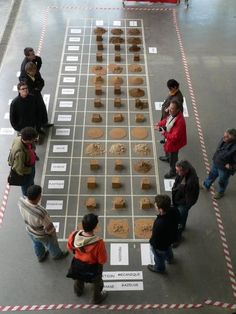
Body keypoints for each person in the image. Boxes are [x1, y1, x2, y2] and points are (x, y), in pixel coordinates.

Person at [18, 185, 68, 262]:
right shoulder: (41, 213)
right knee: (52, 244)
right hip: (41, 234)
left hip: (29, 230)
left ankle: (40, 256)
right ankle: (57, 255)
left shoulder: (21, 201)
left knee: (36, 243)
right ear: (38, 197)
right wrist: (53, 237)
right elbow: (49, 228)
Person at [67, 213, 108, 304]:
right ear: (95, 227)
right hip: (92, 267)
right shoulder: (98, 243)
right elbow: (102, 260)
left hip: (77, 264)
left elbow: (70, 247)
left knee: (79, 277)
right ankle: (96, 298)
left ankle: (78, 291)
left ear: (83, 224)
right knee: (97, 282)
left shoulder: (74, 235)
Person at [155, 100, 187, 178]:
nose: (169, 109)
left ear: (177, 110)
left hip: (174, 144)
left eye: (172, 108)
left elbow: (174, 138)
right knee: (167, 150)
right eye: (170, 107)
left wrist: (164, 133)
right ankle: (167, 157)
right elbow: (167, 120)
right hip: (170, 141)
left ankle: (173, 171)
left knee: (173, 159)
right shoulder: (173, 115)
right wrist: (159, 124)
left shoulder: (180, 122)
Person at [202, 129, 236, 199]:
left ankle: (221, 192)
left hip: (224, 169)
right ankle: (206, 185)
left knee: (222, 180)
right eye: (224, 135)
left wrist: (231, 166)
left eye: (227, 137)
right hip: (217, 163)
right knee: (211, 175)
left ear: (233, 138)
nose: (224, 138)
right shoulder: (224, 139)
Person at [148, 195, 178, 274]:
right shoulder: (174, 210)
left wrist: (152, 244)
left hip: (160, 245)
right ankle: (170, 259)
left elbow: (156, 239)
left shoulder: (159, 223)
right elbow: (179, 220)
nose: (155, 206)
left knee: (158, 257)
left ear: (160, 209)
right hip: (170, 239)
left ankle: (159, 268)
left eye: (156, 205)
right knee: (168, 249)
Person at [21, 62, 53, 134]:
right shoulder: (25, 80)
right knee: (36, 113)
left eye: (35, 70)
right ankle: (38, 129)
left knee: (42, 108)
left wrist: (38, 88)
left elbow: (42, 82)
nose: (35, 72)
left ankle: (45, 123)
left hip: (38, 95)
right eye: (33, 71)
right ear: (28, 72)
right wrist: (36, 89)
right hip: (31, 99)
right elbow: (29, 90)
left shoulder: (36, 72)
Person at [172, 160, 199, 241]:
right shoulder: (186, 169)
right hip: (179, 199)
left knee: (179, 220)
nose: (176, 172)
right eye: (176, 170)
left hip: (183, 204)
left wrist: (181, 205)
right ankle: (182, 225)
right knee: (182, 216)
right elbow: (178, 181)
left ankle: (178, 237)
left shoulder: (191, 183)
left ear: (185, 171)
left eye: (178, 171)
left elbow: (189, 199)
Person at [8, 127, 38, 196]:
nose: (35, 140)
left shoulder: (19, 138)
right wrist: (25, 175)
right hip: (26, 172)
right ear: (28, 140)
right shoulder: (20, 153)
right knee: (26, 185)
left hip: (30, 166)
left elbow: (31, 147)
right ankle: (28, 196)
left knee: (31, 182)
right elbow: (19, 168)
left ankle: (32, 188)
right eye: (34, 139)